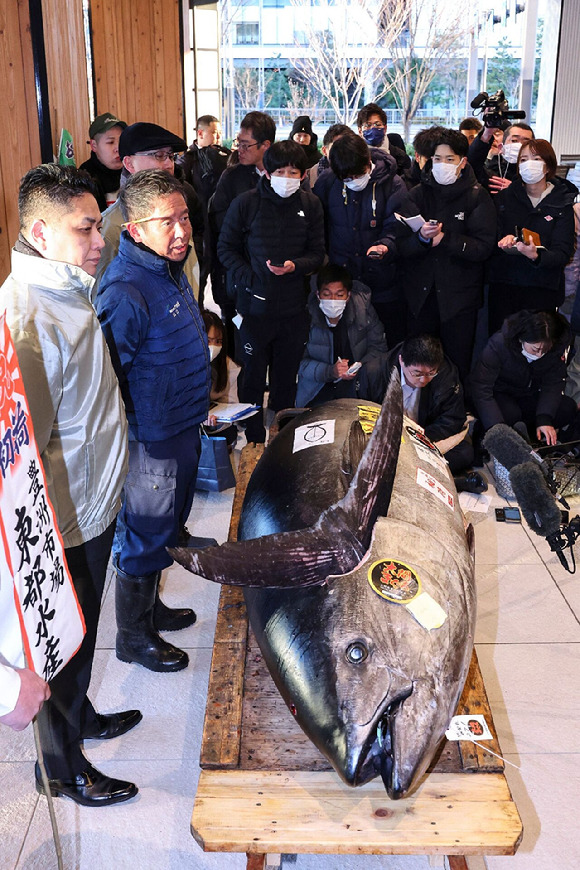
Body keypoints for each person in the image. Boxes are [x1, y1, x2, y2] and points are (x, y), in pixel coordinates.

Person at [1, 164, 138, 806]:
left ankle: (79, 720)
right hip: (66, 519)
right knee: (61, 647)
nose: (98, 240)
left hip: (94, 498)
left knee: (81, 642)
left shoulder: (68, 287)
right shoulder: (27, 318)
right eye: (85, 229)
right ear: (39, 231)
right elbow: (24, 454)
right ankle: (60, 767)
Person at [96, 170, 216, 674]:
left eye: (184, 217)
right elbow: (107, 380)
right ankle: (132, 637)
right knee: (144, 532)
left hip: (182, 427)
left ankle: (152, 609)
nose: (182, 231)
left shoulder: (168, 269)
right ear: (134, 229)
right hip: (151, 440)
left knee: (168, 524)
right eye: (167, 222)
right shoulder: (125, 289)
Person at [218, 140, 325, 443]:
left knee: (285, 376)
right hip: (254, 307)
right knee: (251, 374)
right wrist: (250, 278)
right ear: (267, 172)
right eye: (281, 171)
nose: (287, 178)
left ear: (303, 175)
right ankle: (252, 435)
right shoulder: (246, 203)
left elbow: (318, 254)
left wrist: (296, 266)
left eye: (294, 172)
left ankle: (282, 435)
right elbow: (226, 249)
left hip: (294, 307)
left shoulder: (310, 204)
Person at [395, 128, 496, 382]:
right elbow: (401, 246)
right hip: (421, 297)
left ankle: (453, 414)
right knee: (418, 361)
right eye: (437, 159)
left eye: (449, 159)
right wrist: (422, 239)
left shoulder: (477, 195)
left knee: (455, 362)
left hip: (460, 299)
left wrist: (445, 239)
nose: (442, 165)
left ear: (463, 161)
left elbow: (483, 247)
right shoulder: (416, 194)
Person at [314, 132, 409, 347]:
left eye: (358, 175)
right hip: (342, 280)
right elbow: (319, 224)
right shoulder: (328, 181)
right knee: (345, 345)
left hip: (383, 280)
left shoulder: (393, 184)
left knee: (387, 343)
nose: (354, 182)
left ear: (368, 162)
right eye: (347, 179)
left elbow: (397, 226)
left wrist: (386, 245)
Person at [95, 122, 204, 297]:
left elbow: (192, 269)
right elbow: (106, 298)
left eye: (170, 155)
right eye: (158, 155)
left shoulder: (182, 201)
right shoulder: (113, 225)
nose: (169, 164)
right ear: (129, 163)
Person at [487, 138, 577, 335]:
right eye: (524, 159)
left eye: (536, 158)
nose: (529, 164)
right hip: (505, 285)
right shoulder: (504, 198)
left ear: (548, 166)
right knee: (501, 345)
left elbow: (563, 252)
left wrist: (536, 254)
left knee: (536, 345)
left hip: (542, 289)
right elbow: (490, 239)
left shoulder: (562, 203)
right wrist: (505, 240)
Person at [208, 111, 276, 350]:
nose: (239, 150)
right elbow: (220, 220)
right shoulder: (232, 176)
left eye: (246, 145)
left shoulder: (284, 173)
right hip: (240, 270)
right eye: (239, 143)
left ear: (266, 145)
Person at [386, 335, 486, 492]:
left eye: (431, 373)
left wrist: (418, 438)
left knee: (465, 453)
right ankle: (452, 482)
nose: (424, 380)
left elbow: (452, 420)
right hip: (388, 439)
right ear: (401, 361)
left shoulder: (446, 375)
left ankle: (409, 476)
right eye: (417, 373)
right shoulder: (377, 372)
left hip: (424, 437)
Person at [471, 310, 577, 446]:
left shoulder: (554, 351)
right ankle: (499, 436)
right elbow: (481, 387)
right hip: (499, 394)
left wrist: (544, 418)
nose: (539, 355)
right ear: (522, 339)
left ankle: (531, 436)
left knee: (566, 408)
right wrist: (496, 429)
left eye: (544, 350)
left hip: (527, 395)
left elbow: (553, 384)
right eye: (535, 350)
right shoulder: (499, 344)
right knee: (510, 415)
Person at [296, 264, 388, 407]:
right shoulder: (305, 317)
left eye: (339, 295)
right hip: (316, 391)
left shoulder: (363, 311)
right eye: (327, 294)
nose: (333, 300)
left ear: (348, 295)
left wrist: (360, 366)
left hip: (357, 388)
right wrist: (330, 371)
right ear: (318, 295)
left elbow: (379, 348)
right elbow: (299, 363)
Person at [468, 122, 535, 194]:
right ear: (501, 147)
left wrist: (516, 189)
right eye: (514, 140)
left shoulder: (536, 173)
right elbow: (472, 163)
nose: (519, 145)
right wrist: (486, 135)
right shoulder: (491, 172)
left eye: (525, 142)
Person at [79, 112, 127, 211]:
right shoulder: (84, 177)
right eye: (110, 142)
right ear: (94, 146)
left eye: (122, 141)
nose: (118, 148)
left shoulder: (132, 170)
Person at [356, 102, 412, 185]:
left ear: (385, 128)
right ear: (360, 131)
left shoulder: (400, 158)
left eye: (377, 125)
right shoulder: (354, 157)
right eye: (368, 125)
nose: (373, 129)